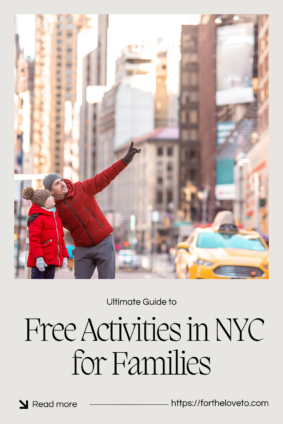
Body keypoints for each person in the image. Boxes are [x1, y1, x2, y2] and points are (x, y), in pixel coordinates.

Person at [43, 141, 141, 279]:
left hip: (103, 242)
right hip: (82, 248)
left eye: (62, 180)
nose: (62, 184)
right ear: (51, 191)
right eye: (57, 184)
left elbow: (105, 176)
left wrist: (124, 161)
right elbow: (45, 226)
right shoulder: (54, 209)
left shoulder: (81, 188)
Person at [22, 187, 69, 279]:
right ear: (42, 201)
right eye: (49, 196)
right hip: (40, 261)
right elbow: (34, 239)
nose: (52, 198)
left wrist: (64, 256)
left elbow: (60, 240)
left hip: (51, 260)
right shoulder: (38, 218)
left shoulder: (55, 217)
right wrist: (38, 257)